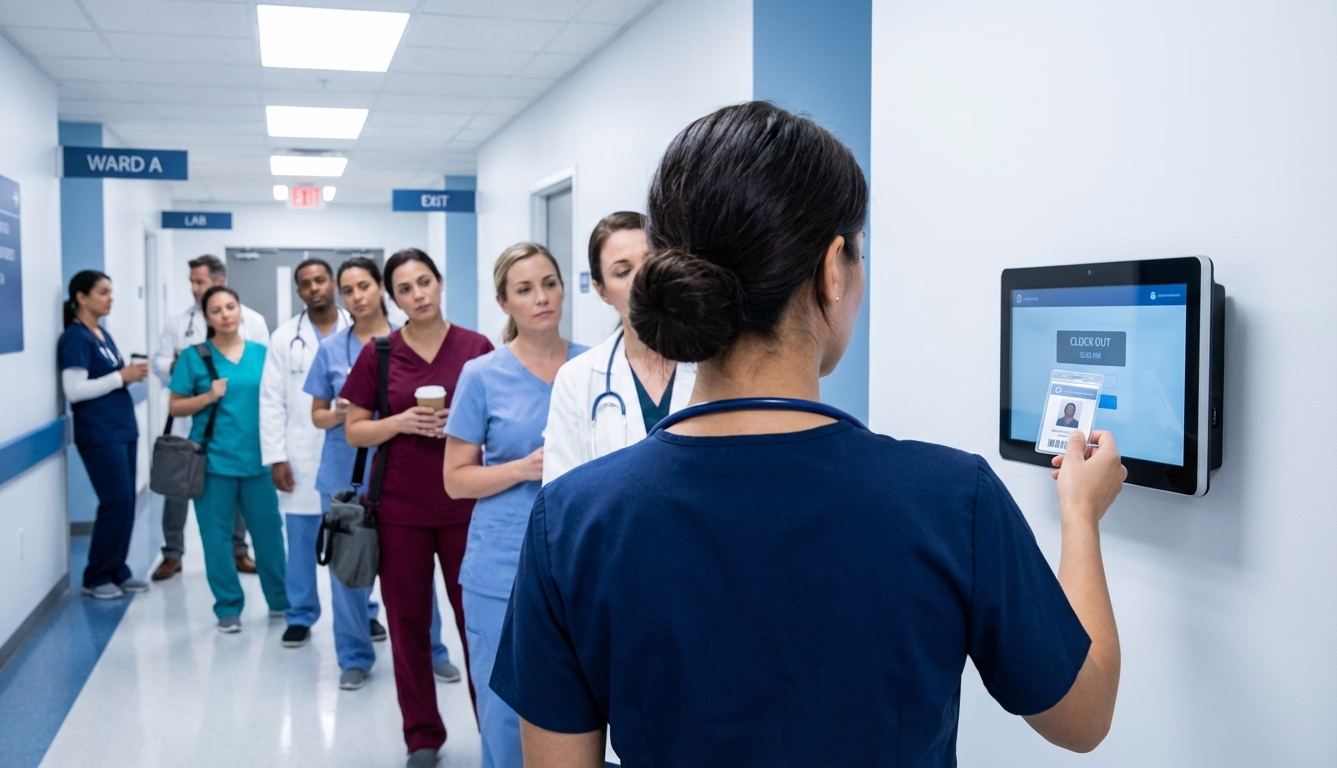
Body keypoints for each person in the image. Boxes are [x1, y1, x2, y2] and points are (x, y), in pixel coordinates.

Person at [492, 102, 1127, 767]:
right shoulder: (949, 499)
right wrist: (1080, 515)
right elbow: (1083, 716)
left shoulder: (573, 520)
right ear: (833, 268)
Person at [341, 249, 492, 768]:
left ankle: (493, 728)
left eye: (424, 282)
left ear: (440, 282)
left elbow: (500, 418)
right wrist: (401, 422)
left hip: (465, 505)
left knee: (478, 622)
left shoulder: (476, 348)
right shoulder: (380, 353)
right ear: (394, 297)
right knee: (407, 624)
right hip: (399, 508)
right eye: (404, 289)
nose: (418, 294)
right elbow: (355, 428)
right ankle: (422, 735)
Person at [443, 243, 588, 768]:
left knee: (581, 705)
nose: (542, 297)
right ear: (504, 303)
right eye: (525, 289)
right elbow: (455, 480)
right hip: (499, 564)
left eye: (550, 283)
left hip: (581, 559)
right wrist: (523, 469)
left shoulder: (594, 367)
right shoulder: (481, 376)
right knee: (504, 712)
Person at [303, 257, 462, 691]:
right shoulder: (334, 350)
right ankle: (355, 656)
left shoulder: (411, 341)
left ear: (380, 290)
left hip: (404, 477)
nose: (357, 297)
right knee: (351, 571)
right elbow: (318, 414)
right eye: (348, 290)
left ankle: (435, 651)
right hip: (347, 477)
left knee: (416, 577)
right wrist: (342, 414)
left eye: (364, 286)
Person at [542, 212, 696, 484]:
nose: (643, 279)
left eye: (652, 262)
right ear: (602, 290)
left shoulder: (714, 362)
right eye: (623, 272)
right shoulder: (577, 379)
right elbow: (561, 496)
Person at [168, 286, 288, 633]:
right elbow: (175, 406)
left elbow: (280, 402)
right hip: (213, 464)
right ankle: (228, 607)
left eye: (230, 307)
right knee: (217, 538)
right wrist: (207, 396)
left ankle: (279, 601)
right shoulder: (194, 356)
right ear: (207, 318)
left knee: (269, 534)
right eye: (216, 310)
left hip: (259, 462)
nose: (225, 315)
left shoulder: (263, 354)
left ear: (240, 310)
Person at [258, 259, 362, 652]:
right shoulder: (285, 338)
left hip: (350, 456)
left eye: (321, 280)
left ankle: (363, 613)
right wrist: (276, 457)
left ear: (333, 283)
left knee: (355, 538)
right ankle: (300, 615)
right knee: (301, 540)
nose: (315, 287)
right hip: (301, 455)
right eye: (306, 283)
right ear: (299, 291)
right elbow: (270, 402)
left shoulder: (360, 329)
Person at [150, 254, 269, 580]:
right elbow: (159, 363)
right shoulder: (177, 321)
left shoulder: (252, 321)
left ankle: (239, 550)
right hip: (189, 423)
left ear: (219, 281)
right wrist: (183, 368)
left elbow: (263, 371)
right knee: (177, 489)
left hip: (233, 424)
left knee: (234, 490)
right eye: (191, 281)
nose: (193, 287)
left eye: (199, 281)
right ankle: (172, 554)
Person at [58, 270, 150, 600]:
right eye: (102, 292)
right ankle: (96, 576)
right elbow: (75, 390)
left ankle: (117, 570)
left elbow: (112, 376)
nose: (110, 298)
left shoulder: (101, 334)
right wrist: (120, 377)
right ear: (81, 297)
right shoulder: (75, 338)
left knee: (126, 503)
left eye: (110, 291)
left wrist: (130, 376)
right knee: (116, 501)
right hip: (99, 433)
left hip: (121, 426)